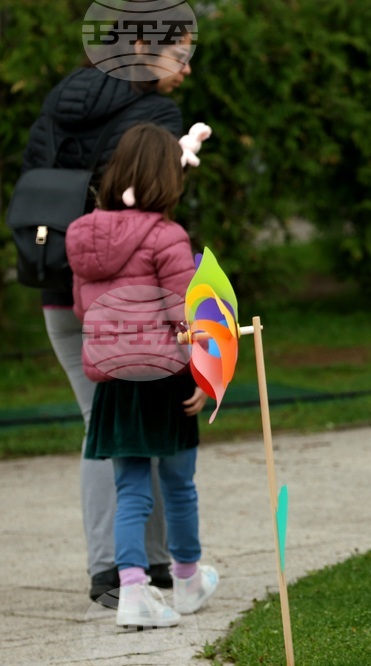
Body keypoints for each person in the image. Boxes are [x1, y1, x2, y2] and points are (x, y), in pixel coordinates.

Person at [20, 37, 193, 605]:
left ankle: (135, 568)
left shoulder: (59, 100)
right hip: (136, 303)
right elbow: (154, 201)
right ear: (143, 45)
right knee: (142, 424)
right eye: (181, 52)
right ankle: (131, 571)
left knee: (104, 423)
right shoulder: (159, 116)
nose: (186, 68)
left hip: (61, 285)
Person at [66, 123, 217, 628]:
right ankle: (188, 578)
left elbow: (81, 307)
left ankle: (131, 591)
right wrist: (203, 373)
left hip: (113, 379)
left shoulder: (84, 232)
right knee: (179, 483)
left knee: (131, 488)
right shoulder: (166, 235)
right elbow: (185, 311)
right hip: (164, 375)